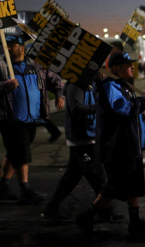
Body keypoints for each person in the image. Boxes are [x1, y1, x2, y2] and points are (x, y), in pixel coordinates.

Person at [76, 52, 145, 240]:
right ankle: (87, 216)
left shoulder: (122, 85)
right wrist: (143, 100)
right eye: (127, 64)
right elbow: (123, 108)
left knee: (134, 185)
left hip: (131, 145)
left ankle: (135, 222)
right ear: (115, 68)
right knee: (115, 187)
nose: (132, 67)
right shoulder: (110, 86)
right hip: (119, 146)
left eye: (131, 64)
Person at [0, 35, 64, 205]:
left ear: (22, 48)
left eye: (11, 45)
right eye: (6, 45)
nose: (8, 48)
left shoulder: (35, 65)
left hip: (32, 119)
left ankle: (2, 188)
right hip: (10, 119)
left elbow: (55, 79)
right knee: (22, 154)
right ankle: (25, 191)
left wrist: (60, 94)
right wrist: (4, 86)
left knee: (13, 154)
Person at [42, 72, 123, 222]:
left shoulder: (90, 84)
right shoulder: (75, 86)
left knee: (71, 178)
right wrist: (99, 107)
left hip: (88, 136)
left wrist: (102, 80)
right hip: (82, 138)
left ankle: (51, 208)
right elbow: (76, 108)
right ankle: (104, 212)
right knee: (97, 176)